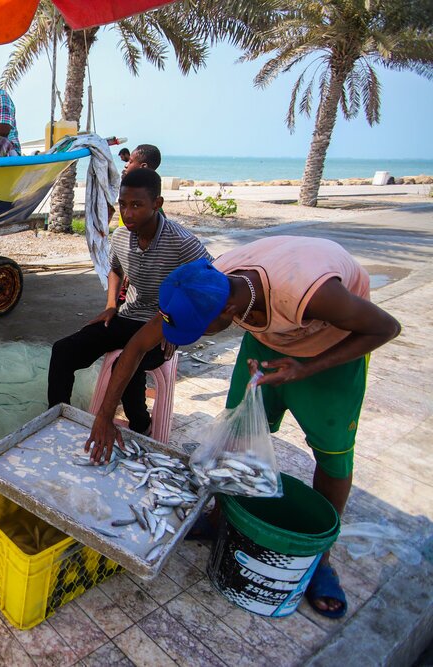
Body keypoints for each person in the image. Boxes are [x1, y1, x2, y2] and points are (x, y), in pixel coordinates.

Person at [85, 237, 401, 619]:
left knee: (332, 453)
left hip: (334, 348)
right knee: (237, 435)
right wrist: (102, 417)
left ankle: (321, 560)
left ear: (229, 310)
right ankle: (219, 518)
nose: (195, 335)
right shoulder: (204, 283)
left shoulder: (313, 292)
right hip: (268, 338)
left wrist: (306, 368)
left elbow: (386, 328)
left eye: (199, 329)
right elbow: (136, 347)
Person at [47, 168, 210, 434]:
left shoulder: (182, 243)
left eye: (137, 205)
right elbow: (115, 269)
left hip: (161, 326)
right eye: (123, 204)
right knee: (63, 350)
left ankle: (141, 427)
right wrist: (111, 305)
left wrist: (175, 325)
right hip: (126, 317)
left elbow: (211, 286)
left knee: (128, 368)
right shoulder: (121, 236)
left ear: (157, 204)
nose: (128, 213)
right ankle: (57, 420)